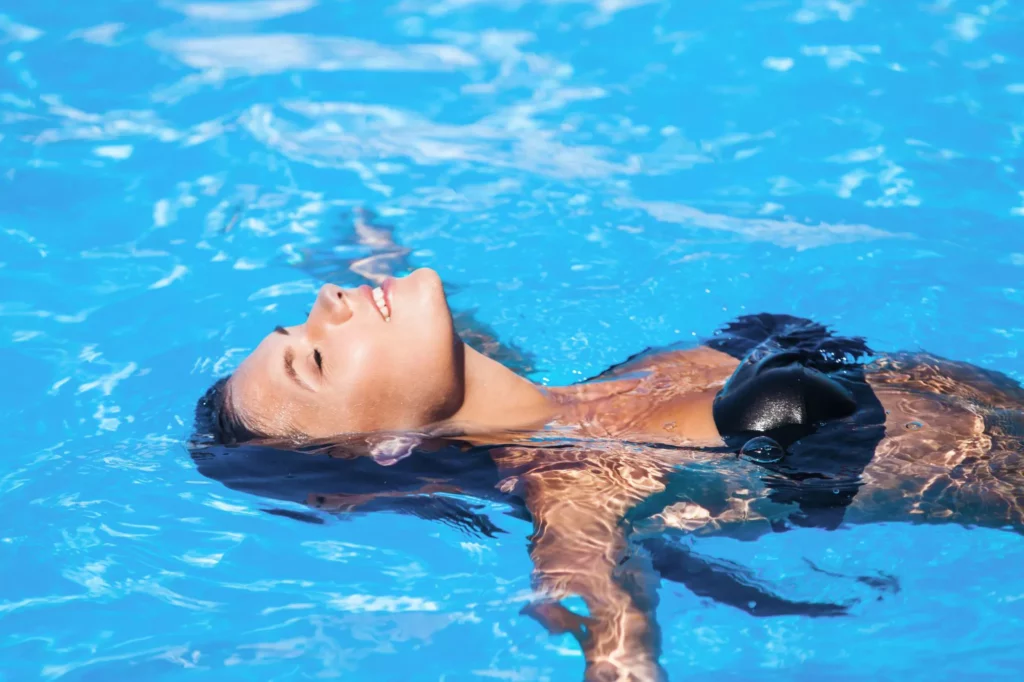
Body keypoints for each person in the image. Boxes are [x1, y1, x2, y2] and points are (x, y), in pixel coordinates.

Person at [192, 265, 1024, 681]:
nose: (328, 302)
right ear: (389, 446)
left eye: (297, 319)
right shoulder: (580, 489)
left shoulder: (577, 393)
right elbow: (610, 636)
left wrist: (375, 250)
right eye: (313, 358)